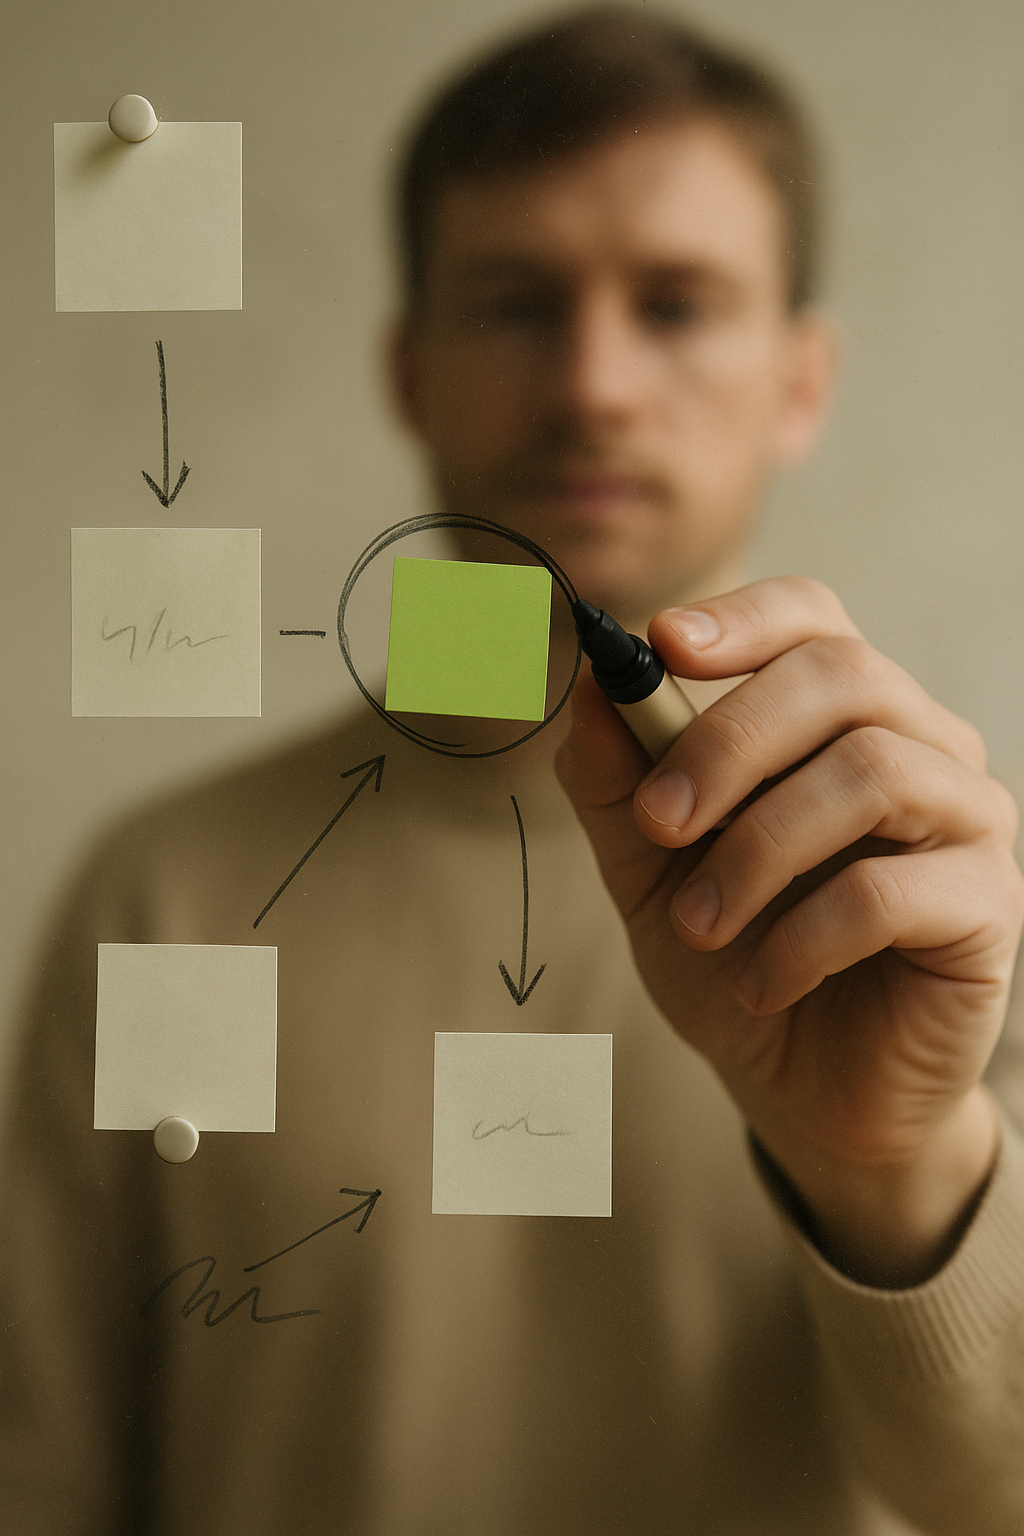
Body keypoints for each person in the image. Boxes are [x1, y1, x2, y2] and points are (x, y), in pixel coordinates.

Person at [3, 8, 1024, 1533]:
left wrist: (892, 1169)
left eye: (676, 306)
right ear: (408, 372)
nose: (596, 385)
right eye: (516, 304)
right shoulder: (168, 892)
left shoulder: (941, 907)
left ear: (800, 381)